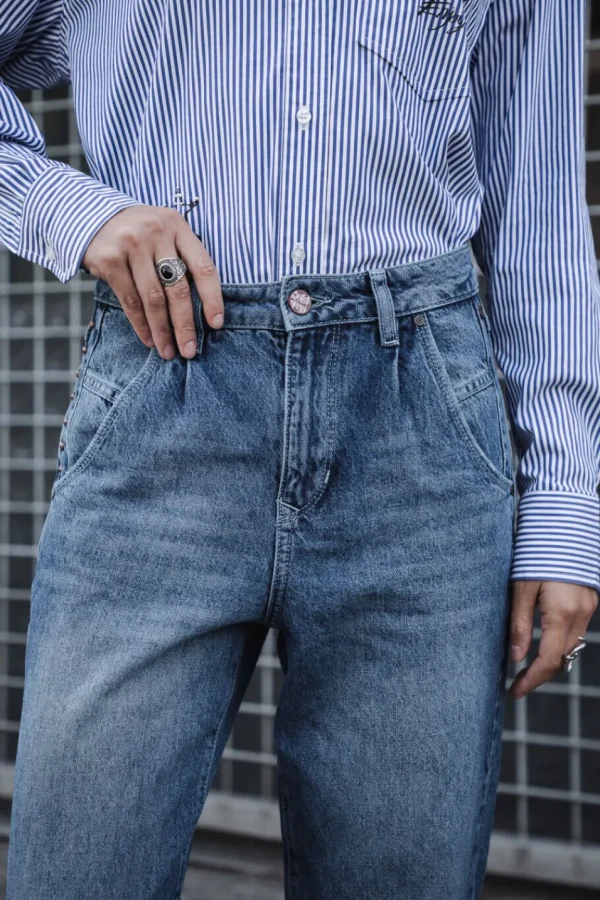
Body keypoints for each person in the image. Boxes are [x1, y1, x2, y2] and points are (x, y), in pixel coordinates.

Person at [2, 1, 598, 898]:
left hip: (418, 435)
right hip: (167, 390)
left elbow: (538, 207)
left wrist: (564, 497)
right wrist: (71, 210)